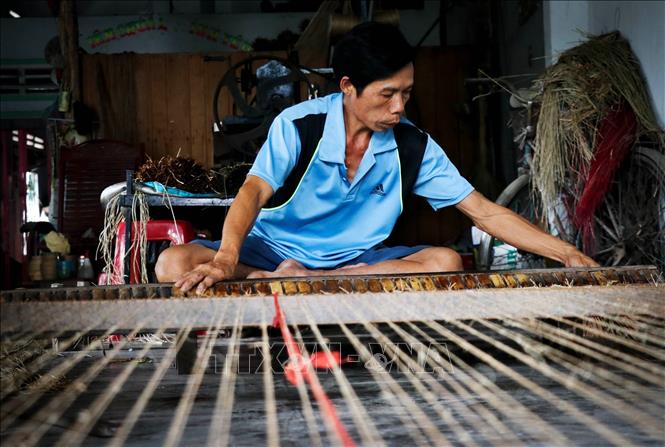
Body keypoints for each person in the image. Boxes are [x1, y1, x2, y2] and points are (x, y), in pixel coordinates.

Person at [156, 22, 597, 294]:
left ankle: (309, 283)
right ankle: (274, 278)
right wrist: (229, 257)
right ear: (347, 87)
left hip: (356, 263)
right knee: (171, 264)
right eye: (387, 94)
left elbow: (483, 212)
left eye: (405, 93)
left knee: (445, 261)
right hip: (272, 252)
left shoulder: (412, 145)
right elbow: (253, 191)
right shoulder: (300, 125)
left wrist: (567, 254)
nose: (398, 107)